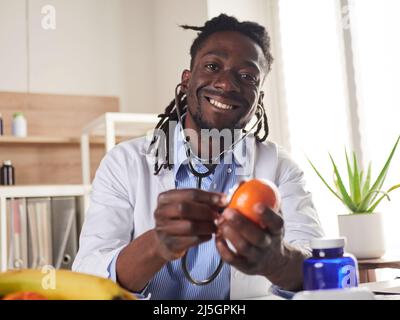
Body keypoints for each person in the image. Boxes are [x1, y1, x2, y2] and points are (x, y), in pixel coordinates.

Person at [72, 14, 324, 300]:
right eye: (213, 66)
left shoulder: (280, 168)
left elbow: (319, 270)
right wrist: (156, 245)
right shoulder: (123, 164)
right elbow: (86, 280)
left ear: (259, 100)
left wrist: (277, 260)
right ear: (187, 80)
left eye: (247, 76)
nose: (227, 84)